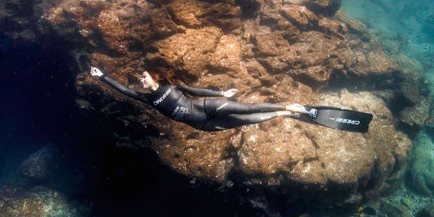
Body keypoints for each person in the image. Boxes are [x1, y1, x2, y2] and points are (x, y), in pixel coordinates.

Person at [90, 66, 314, 131]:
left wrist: (222, 94)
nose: (141, 80)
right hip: (203, 124)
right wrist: (103, 77)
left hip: (209, 105)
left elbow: (197, 91)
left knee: (247, 109)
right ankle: (284, 113)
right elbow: (124, 90)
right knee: (247, 120)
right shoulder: (148, 99)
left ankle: (290, 105)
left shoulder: (172, 86)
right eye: (140, 78)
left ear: (154, 77)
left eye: (143, 76)